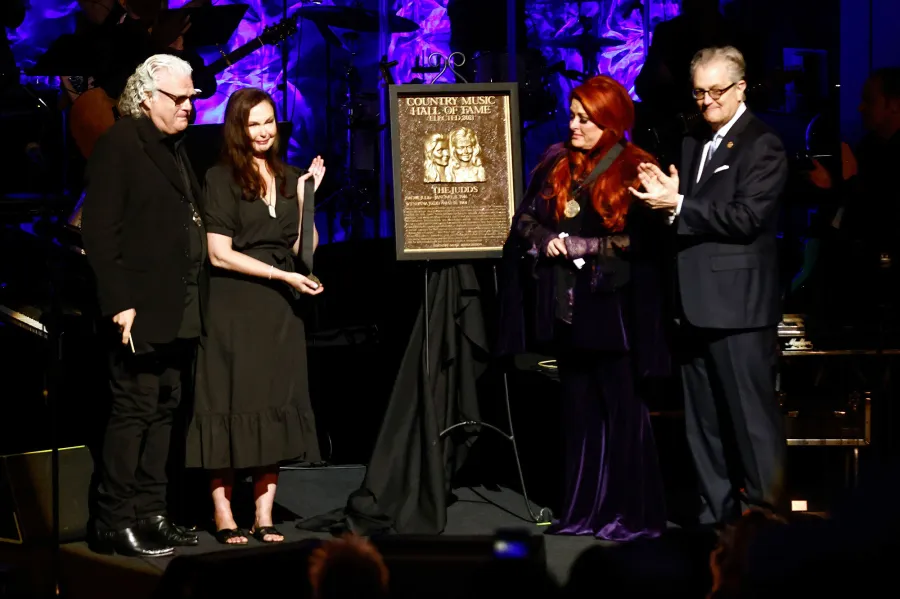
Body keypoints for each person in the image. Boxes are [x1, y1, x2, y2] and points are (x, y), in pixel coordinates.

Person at [497, 75, 670, 541]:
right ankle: (582, 513)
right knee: (579, 416)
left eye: (584, 118)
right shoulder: (557, 161)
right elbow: (525, 219)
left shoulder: (638, 167)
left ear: (610, 122)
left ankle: (630, 515)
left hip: (614, 314)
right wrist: (547, 239)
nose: (573, 125)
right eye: (572, 115)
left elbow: (647, 241)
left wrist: (584, 244)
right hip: (567, 311)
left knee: (623, 416)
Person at [629, 46, 789, 527]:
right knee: (703, 428)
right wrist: (662, 195)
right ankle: (714, 525)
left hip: (738, 310)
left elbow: (746, 218)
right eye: (698, 92)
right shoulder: (692, 139)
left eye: (716, 92)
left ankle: (767, 529)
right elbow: (687, 212)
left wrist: (678, 205)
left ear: (741, 88)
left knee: (752, 426)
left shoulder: (764, 144)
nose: (706, 102)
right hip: (693, 304)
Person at [185, 87, 324, 544]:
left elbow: (303, 251)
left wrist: (307, 200)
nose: (264, 131)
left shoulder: (288, 176)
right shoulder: (220, 178)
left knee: (272, 403)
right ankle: (223, 512)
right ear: (238, 128)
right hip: (234, 305)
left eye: (269, 122)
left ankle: (264, 514)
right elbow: (219, 254)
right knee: (228, 401)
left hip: (279, 311)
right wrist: (279, 276)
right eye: (254, 124)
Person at [80, 53, 206, 556]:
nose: (188, 107)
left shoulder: (173, 145)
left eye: (192, 98)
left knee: (165, 409)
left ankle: (152, 513)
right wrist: (120, 303)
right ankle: (113, 520)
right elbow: (99, 229)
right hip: (138, 308)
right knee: (133, 410)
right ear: (147, 97)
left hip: (177, 303)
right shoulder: (120, 143)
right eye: (177, 99)